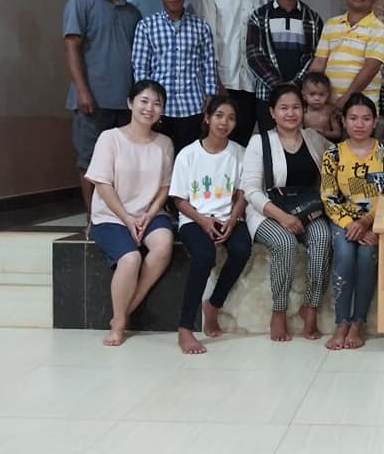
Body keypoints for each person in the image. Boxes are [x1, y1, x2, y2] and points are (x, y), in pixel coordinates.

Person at [85, 80, 174, 347]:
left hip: (149, 212)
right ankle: (119, 321)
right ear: (130, 103)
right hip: (112, 215)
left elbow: (165, 187)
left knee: (163, 245)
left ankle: (126, 310)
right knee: (130, 258)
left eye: (157, 103)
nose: (150, 108)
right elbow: (102, 184)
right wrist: (126, 218)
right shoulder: (110, 138)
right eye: (144, 101)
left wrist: (150, 214)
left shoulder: (164, 143)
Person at [241, 84, 332, 342]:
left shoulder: (314, 138)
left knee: (323, 238)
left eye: (295, 107)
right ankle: (278, 311)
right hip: (267, 211)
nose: (290, 113)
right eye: (283, 108)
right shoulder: (259, 142)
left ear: (303, 110)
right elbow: (250, 190)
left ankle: (310, 307)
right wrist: (282, 218)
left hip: (307, 209)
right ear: (272, 112)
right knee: (285, 242)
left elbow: (339, 158)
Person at [64, 0, 143, 224]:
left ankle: (118, 219)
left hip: (126, 104)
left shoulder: (132, 12)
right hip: (92, 101)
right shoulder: (80, 3)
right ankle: (93, 221)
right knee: (90, 162)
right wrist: (83, 90)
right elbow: (72, 48)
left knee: (122, 165)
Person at [169, 95, 250, 354]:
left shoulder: (239, 153)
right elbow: (179, 200)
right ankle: (185, 328)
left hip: (228, 217)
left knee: (242, 249)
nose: (224, 123)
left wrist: (233, 218)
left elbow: (243, 193)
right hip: (194, 219)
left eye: (231, 118)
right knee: (204, 256)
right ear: (207, 118)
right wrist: (203, 221)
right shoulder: (188, 154)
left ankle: (213, 304)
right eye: (219, 116)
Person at [320, 94, 384, 350]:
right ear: (344, 121)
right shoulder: (333, 154)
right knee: (345, 254)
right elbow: (329, 197)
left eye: (366, 118)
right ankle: (341, 322)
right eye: (353, 118)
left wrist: (366, 222)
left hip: (375, 221)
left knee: (367, 256)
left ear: (375, 122)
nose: (359, 124)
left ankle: (358, 323)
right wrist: (350, 224)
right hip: (343, 221)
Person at [132, 0, 219, 154]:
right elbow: (141, 69)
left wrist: (210, 98)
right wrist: (146, 105)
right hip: (159, 110)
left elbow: (208, 66)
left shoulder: (201, 27)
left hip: (194, 108)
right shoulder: (146, 26)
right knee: (159, 160)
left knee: (190, 160)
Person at [197, 0, 269, 147]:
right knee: (215, 143)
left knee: (241, 146)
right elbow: (206, 40)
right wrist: (215, 83)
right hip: (220, 82)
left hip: (250, 85)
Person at [246, 0, 324, 133]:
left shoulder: (313, 19)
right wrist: (279, 87)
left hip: (301, 99)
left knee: (300, 144)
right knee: (270, 145)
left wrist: (295, 85)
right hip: (267, 98)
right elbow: (254, 55)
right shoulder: (259, 16)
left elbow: (315, 56)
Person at [311, 0, 384, 111]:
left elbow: (370, 69)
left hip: (361, 109)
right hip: (327, 106)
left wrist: (347, 98)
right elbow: (319, 62)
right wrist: (313, 95)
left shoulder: (379, 29)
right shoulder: (331, 24)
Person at [302, 72, 341, 141]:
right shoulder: (303, 111)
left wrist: (324, 133)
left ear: (327, 95)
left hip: (328, 144)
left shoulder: (330, 111)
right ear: (304, 95)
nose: (317, 98)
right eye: (312, 94)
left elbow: (337, 134)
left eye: (321, 94)